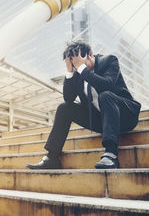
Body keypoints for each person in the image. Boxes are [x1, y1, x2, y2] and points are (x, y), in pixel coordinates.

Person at [27, 40, 141, 169]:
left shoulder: (109, 60)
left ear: (90, 54)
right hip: (100, 122)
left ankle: (111, 154)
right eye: (74, 64)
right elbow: (68, 98)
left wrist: (82, 68)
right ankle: (52, 158)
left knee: (105, 95)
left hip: (125, 117)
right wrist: (70, 72)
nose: (77, 66)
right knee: (64, 108)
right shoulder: (77, 72)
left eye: (79, 61)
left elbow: (107, 84)